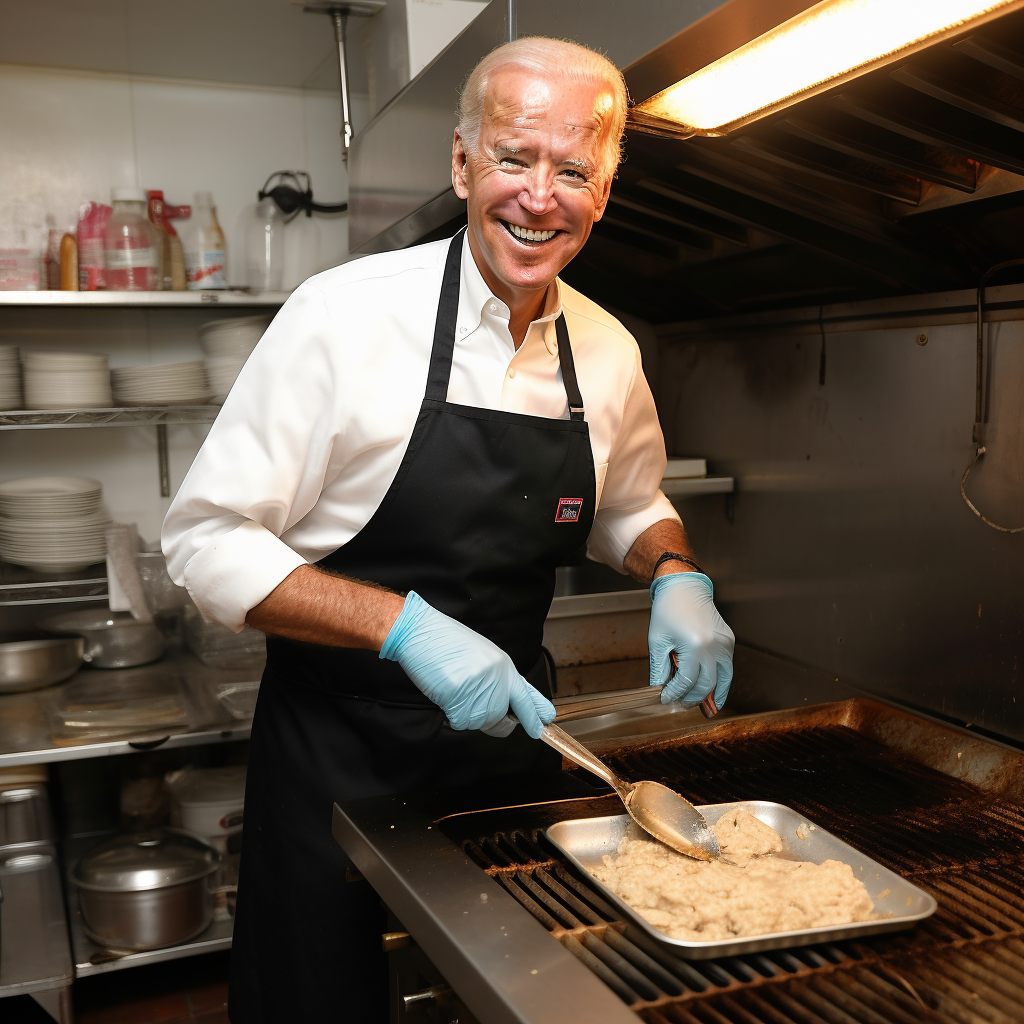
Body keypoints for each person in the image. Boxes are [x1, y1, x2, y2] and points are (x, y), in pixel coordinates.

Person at [162, 35, 735, 1023]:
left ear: (606, 189)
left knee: (507, 1005)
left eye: (573, 171)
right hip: (335, 770)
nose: (539, 197)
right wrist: (402, 628)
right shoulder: (343, 318)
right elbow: (206, 542)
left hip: (509, 763)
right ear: (462, 162)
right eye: (514, 159)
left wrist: (674, 570)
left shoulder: (605, 349)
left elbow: (630, 500)